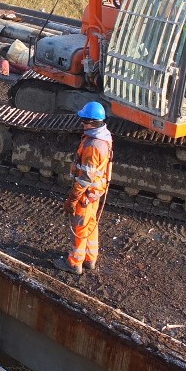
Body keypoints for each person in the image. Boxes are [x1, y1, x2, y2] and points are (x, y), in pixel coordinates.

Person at [53, 101, 113, 275]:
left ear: (93, 122)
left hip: (86, 194)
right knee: (90, 223)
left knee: (79, 226)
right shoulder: (103, 136)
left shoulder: (93, 146)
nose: (82, 123)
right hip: (95, 193)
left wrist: (72, 199)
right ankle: (90, 258)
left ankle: (74, 263)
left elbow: (85, 178)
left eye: (84, 120)